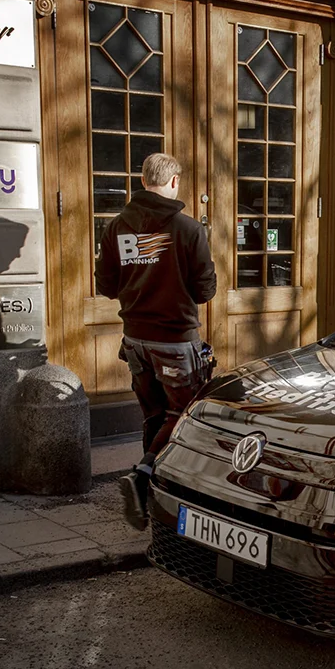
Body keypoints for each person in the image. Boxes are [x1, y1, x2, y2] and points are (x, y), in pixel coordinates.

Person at [95, 153, 217, 530]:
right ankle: (145, 475)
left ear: (144, 181)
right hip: (175, 341)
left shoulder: (116, 227)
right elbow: (205, 291)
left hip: (136, 340)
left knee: (154, 415)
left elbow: (105, 286)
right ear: (175, 182)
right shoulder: (188, 229)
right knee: (183, 414)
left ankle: (149, 493)